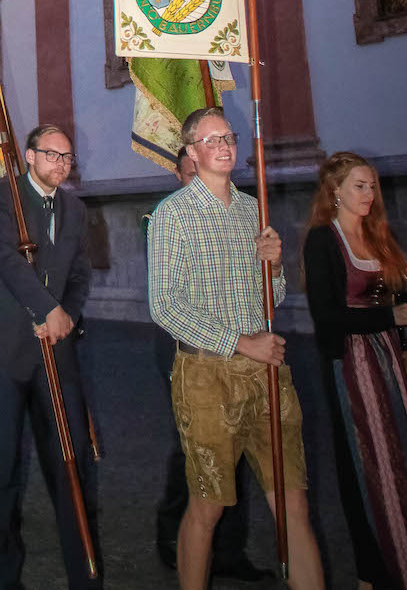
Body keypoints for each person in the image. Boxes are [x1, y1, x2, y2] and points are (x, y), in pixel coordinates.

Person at [148, 107, 324, 590]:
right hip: (208, 377)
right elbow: (165, 306)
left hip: (267, 374)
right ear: (191, 153)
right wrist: (242, 343)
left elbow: (273, 296)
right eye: (211, 140)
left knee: (293, 504)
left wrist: (273, 266)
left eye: (228, 137)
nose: (224, 146)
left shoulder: (254, 210)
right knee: (210, 505)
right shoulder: (173, 216)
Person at [0, 123, 98, 590]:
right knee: (3, 464)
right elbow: (6, 260)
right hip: (4, 350)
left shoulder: (75, 208)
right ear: (28, 156)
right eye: (52, 155)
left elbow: (81, 273)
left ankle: (84, 575)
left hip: (56, 352)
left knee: (72, 462)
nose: (61, 164)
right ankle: (4, 577)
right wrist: (45, 308)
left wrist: (65, 315)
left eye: (67, 157)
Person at [153, 149, 270, 582]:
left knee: (239, 455)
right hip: (187, 351)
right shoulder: (168, 219)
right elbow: (166, 301)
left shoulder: (238, 211)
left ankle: (230, 549)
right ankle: (173, 535)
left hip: (243, 358)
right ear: (181, 174)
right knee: (192, 452)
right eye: (187, 175)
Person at [303, 151, 407, 590]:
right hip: (350, 365)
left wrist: (401, 319)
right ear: (335, 190)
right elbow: (326, 316)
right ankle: (376, 570)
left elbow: (398, 299)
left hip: (389, 360)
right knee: (367, 465)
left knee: (403, 454)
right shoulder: (322, 240)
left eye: (371, 186)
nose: (369, 194)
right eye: (359, 186)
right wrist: (392, 317)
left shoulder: (379, 235)